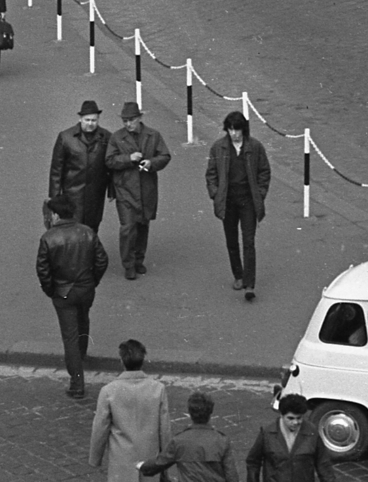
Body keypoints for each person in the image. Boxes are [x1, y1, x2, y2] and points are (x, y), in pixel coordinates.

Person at [38, 195, 109, 399]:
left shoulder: (49, 238)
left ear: (56, 214)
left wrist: (51, 290)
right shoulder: (87, 232)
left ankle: (77, 382)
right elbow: (102, 260)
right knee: (83, 320)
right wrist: (92, 281)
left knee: (69, 336)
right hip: (86, 288)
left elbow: (43, 270)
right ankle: (83, 353)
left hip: (64, 292)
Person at [206, 110, 270, 302]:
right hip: (228, 201)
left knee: (249, 241)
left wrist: (260, 194)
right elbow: (211, 174)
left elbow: (264, 172)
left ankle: (249, 284)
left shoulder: (255, 147)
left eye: (237, 129)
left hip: (248, 201)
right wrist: (216, 194)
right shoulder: (218, 148)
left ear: (243, 129)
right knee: (232, 241)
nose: (234, 133)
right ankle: (238, 275)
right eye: (230, 129)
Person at [89, 340, 170, 482]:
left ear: (122, 361)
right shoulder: (158, 389)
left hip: (121, 461)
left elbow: (100, 428)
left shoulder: (109, 391)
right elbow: (165, 429)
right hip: (150, 459)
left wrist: (95, 457)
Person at [107, 101, 170, 281]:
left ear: (140, 118)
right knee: (127, 227)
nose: (128, 124)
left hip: (146, 188)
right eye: (125, 120)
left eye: (131, 120)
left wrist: (151, 163)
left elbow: (165, 156)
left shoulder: (153, 135)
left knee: (143, 225)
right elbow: (109, 161)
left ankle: (138, 260)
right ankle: (128, 264)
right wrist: (129, 158)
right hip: (125, 189)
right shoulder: (117, 138)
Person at [140, 392, 238, 482]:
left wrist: (140, 465)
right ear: (210, 412)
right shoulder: (222, 441)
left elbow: (156, 465)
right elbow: (232, 476)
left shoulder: (179, 441)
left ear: (190, 413)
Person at [50, 99, 112, 232]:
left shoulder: (106, 137)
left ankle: (89, 252)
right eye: (87, 120)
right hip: (72, 194)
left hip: (96, 194)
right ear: (80, 119)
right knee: (72, 228)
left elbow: (110, 166)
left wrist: (111, 190)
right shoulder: (65, 137)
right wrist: (55, 199)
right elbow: (56, 170)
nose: (90, 124)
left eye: (94, 120)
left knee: (92, 227)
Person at [244, 394, 335, 482]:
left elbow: (323, 464)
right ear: (281, 415)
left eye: (299, 418)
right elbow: (253, 462)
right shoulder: (267, 433)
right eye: (290, 418)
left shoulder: (312, 432)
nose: (295, 422)